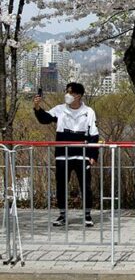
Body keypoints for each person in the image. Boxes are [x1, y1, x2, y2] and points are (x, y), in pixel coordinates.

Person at [33, 82, 99, 227]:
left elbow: (94, 135)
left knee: (85, 185)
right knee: (61, 185)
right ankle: (62, 215)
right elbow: (44, 119)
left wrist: (93, 155)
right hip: (63, 154)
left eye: (70, 92)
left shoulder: (89, 111)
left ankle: (87, 215)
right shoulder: (59, 109)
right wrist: (37, 107)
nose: (67, 95)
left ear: (78, 96)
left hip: (82, 155)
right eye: (66, 92)